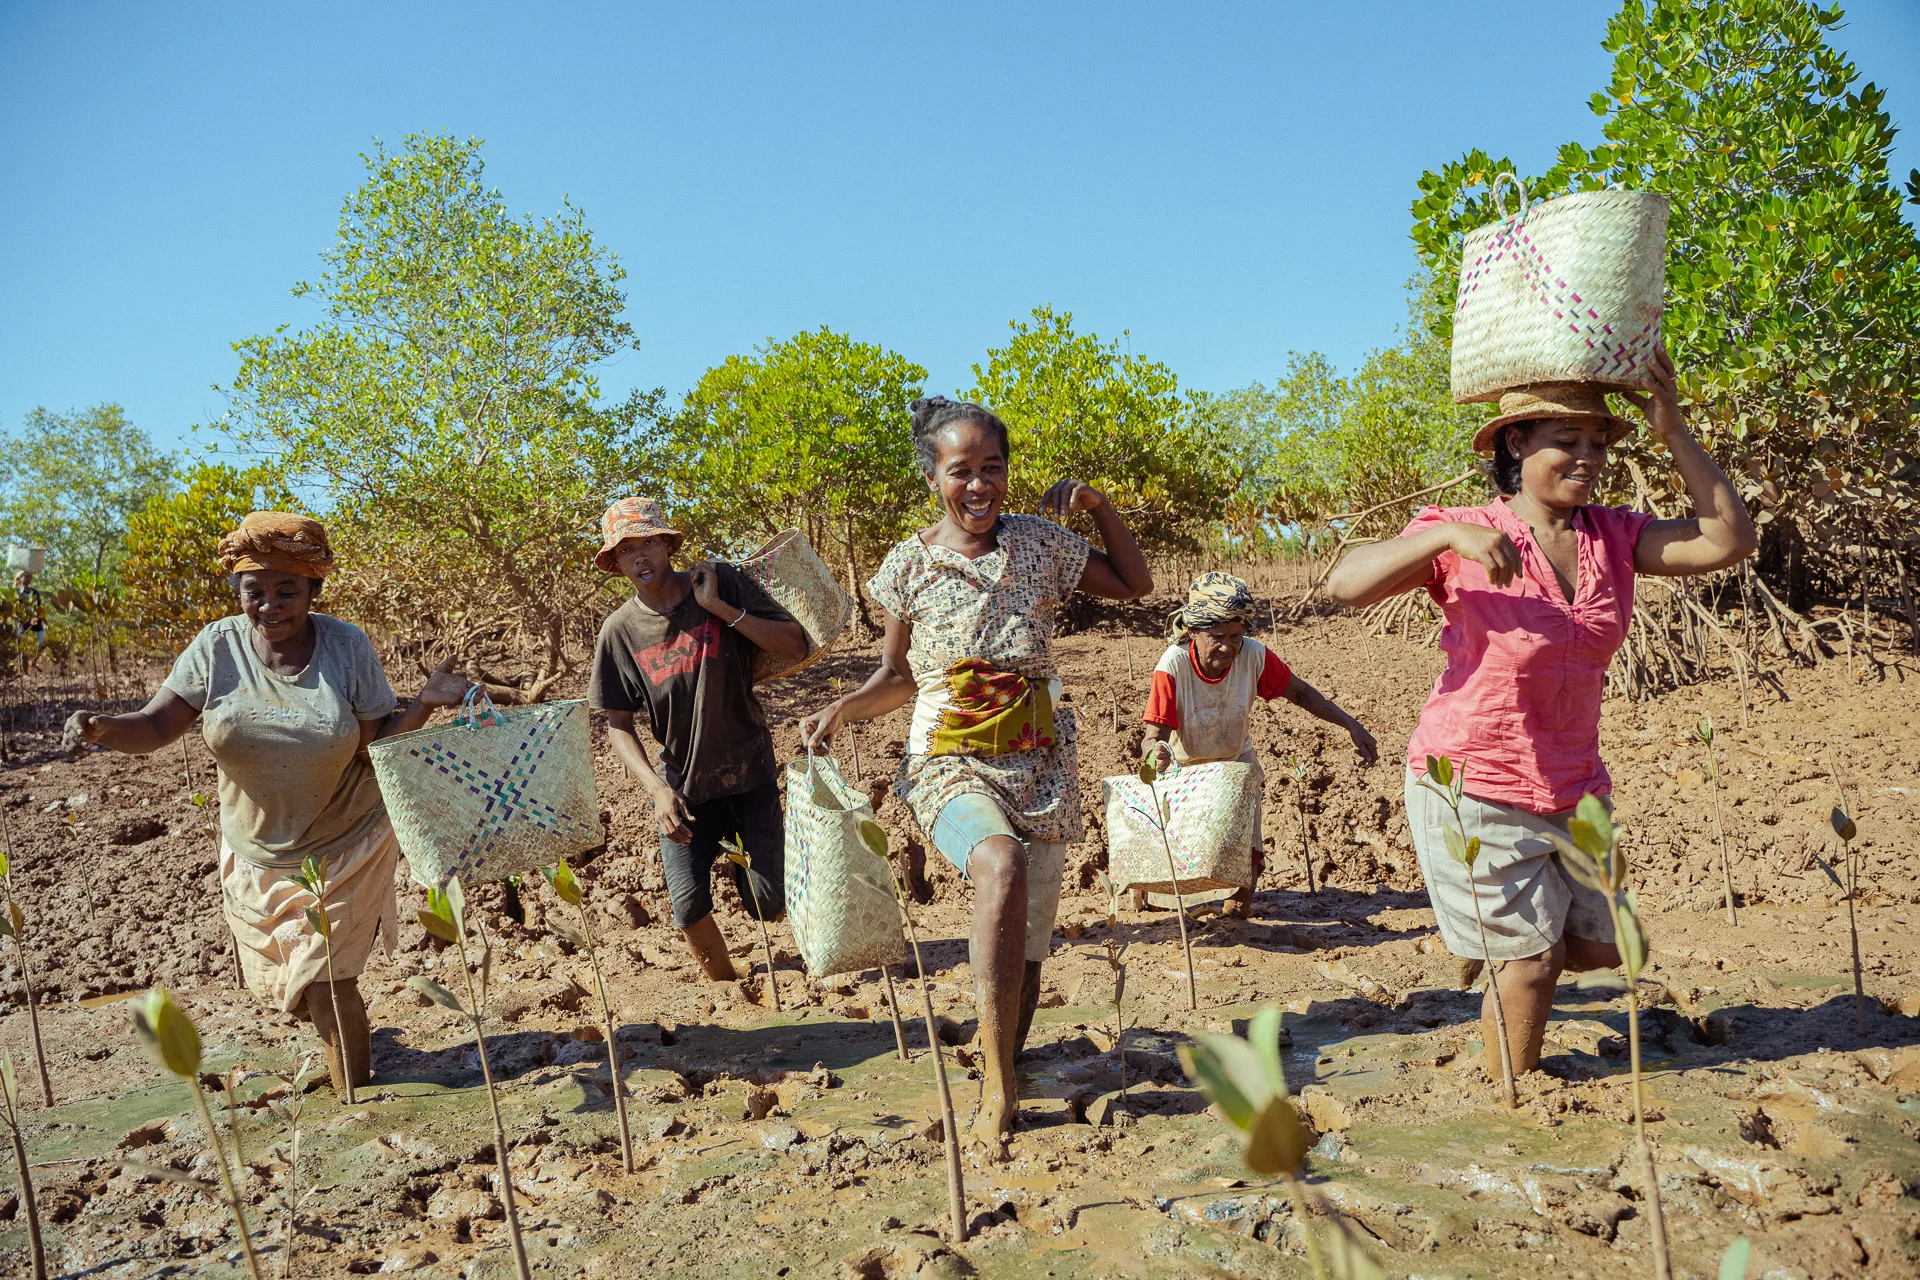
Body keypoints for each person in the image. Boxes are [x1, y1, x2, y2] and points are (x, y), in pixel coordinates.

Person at [1325, 346, 1757, 1083]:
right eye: (1568, 441)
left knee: (1604, 948)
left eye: (1599, 443)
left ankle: (1494, 950)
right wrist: (1440, 537)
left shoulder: (1614, 537)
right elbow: (1343, 581)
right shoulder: (1459, 529)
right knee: (1534, 968)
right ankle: (1514, 1102)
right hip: (1473, 780)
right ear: (1516, 444)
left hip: (1575, 783)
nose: (1588, 457)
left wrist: (1674, 430)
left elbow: (1728, 540)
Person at [799, 396, 1153, 1154]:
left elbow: (1134, 584)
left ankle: (1008, 1056)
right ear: (934, 477)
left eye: (993, 468)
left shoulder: (1039, 544)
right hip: (946, 759)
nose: (980, 485)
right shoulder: (908, 565)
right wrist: (847, 710)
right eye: (962, 470)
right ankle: (997, 1088)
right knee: (999, 862)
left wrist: (1099, 504)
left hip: (1042, 760)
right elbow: (895, 675)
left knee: (1027, 948)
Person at [62, 512, 469, 1093]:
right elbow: (155, 727)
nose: (271, 605)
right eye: (256, 591)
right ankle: (353, 1057)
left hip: (345, 837)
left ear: (312, 591)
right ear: (239, 592)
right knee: (297, 987)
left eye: (288, 591)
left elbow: (379, 744)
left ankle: (354, 1102)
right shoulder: (216, 646)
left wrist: (424, 702)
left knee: (328, 982)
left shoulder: (346, 646)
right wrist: (102, 727)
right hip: (254, 846)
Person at [586, 497, 811, 983]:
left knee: (768, 902)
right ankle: (728, 990)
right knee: (687, 907)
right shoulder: (619, 633)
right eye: (627, 551)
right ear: (616, 563)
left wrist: (719, 609)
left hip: (750, 771)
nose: (641, 557)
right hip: (684, 787)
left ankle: (747, 868)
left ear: (668, 544)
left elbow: (795, 644)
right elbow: (617, 725)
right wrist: (655, 790)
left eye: (649, 543)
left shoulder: (718, 582)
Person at [1138, 571, 1377, 917]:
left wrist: (1351, 725)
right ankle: (1149, 895)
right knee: (1175, 851)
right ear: (1193, 632)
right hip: (1183, 765)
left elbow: (1301, 693)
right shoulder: (1172, 666)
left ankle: (1239, 903)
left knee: (1247, 842)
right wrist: (1154, 754)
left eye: (1235, 636)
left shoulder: (1253, 656)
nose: (1228, 647)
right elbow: (1153, 735)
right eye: (1217, 637)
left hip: (1235, 760)